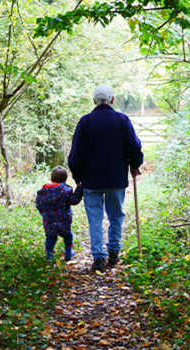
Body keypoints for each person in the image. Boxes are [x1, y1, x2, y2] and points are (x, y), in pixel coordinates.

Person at [68, 85, 143, 272]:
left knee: (95, 218)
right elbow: (133, 146)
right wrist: (135, 164)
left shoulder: (85, 122)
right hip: (116, 178)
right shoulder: (122, 120)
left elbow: (76, 154)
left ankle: (99, 257)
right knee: (116, 215)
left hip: (91, 180)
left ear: (94, 101)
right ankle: (114, 252)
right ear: (112, 100)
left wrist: (78, 177)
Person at [35, 166, 84, 262]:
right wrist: (79, 188)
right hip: (64, 222)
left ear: (51, 179)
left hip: (49, 222)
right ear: (65, 180)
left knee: (50, 239)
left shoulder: (42, 193)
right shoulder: (66, 191)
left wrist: (45, 215)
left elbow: (38, 205)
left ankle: (50, 257)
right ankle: (68, 254)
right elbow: (74, 200)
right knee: (68, 237)